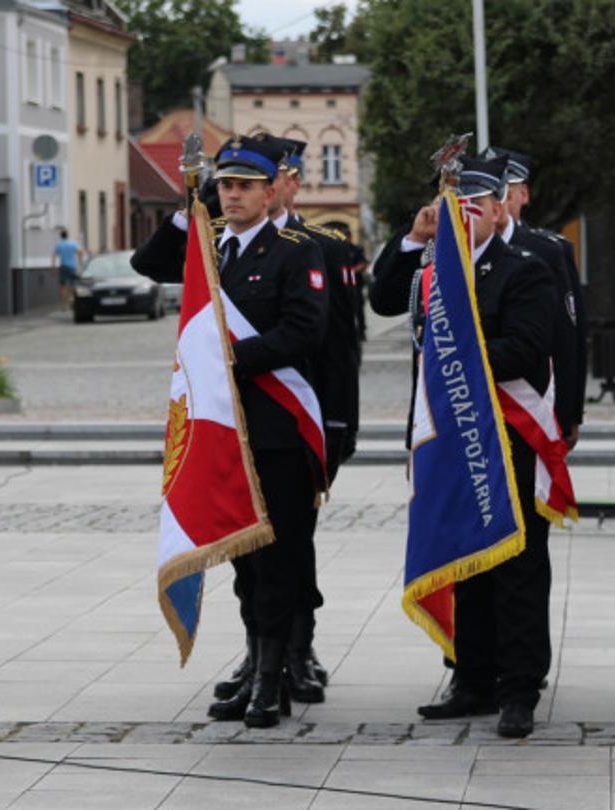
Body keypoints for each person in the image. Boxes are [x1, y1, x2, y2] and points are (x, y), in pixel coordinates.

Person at [130, 136, 328, 728]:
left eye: (244, 186)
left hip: (276, 432)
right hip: (224, 431)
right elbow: (147, 265)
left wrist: (230, 359)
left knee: (279, 562)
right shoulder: (208, 246)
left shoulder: (296, 251)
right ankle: (253, 668)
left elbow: (304, 331)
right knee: (244, 563)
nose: (233, 195)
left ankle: (272, 682)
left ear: (271, 192)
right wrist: (186, 206)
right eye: (225, 186)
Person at [369, 153, 560, 739]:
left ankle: (519, 688)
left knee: (516, 566)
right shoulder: (430, 270)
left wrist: (457, 356)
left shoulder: (524, 270)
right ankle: (470, 677)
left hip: (507, 438)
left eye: (474, 205)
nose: (463, 214)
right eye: (453, 204)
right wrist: (414, 237)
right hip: (449, 440)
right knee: (464, 558)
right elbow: (382, 298)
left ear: (499, 210)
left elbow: (526, 347)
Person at [259, 134, 360, 705]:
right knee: (251, 550)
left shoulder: (325, 247)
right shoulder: (222, 244)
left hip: (307, 421)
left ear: (292, 182)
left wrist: (341, 423)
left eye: (269, 176)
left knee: (295, 541)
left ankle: (299, 650)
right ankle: (259, 656)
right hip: (247, 422)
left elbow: (341, 348)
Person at [490, 147, 588, 447]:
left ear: (523, 195)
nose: (499, 202)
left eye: (506, 192)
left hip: (535, 403)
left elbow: (568, 338)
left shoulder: (549, 250)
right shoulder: (463, 249)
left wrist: (569, 414)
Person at [54, 228, 83, 308]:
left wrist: (53, 267)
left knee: (62, 286)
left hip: (63, 267)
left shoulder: (58, 245)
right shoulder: (72, 244)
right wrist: (80, 262)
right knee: (72, 284)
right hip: (72, 267)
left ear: (61, 236)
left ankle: (64, 304)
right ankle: (71, 299)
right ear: (67, 236)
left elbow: (54, 255)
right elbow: (80, 252)